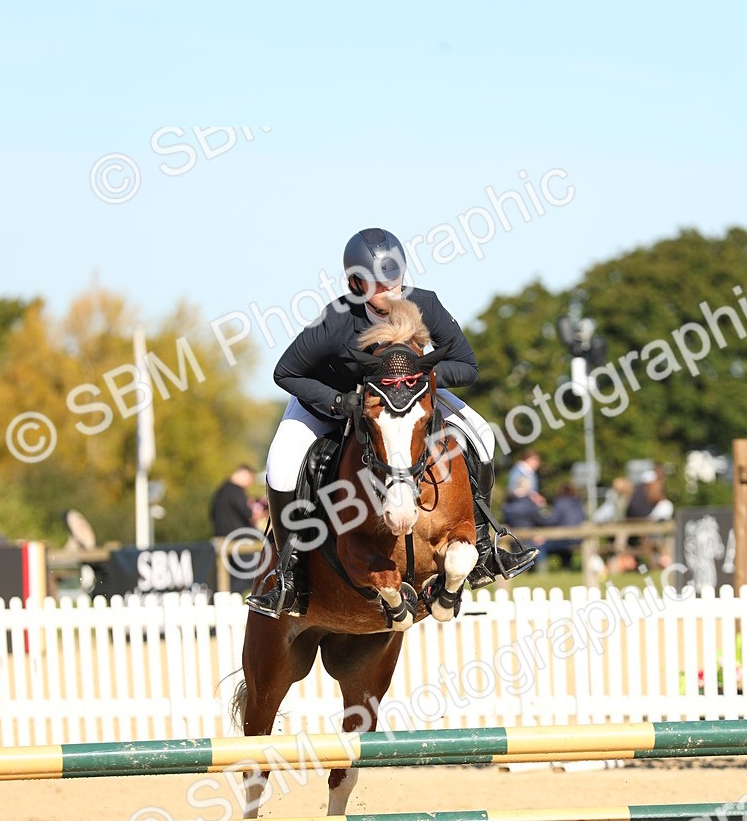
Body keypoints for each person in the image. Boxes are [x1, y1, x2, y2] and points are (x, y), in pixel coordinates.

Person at [247, 227, 535, 616]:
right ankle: (290, 577)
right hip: (332, 403)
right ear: (355, 283)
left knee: (482, 434)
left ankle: (484, 545)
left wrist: (416, 377)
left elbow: (467, 366)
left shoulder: (424, 305)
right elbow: (286, 373)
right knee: (280, 469)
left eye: (396, 278)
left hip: (408, 398)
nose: (393, 289)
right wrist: (339, 401)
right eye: (381, 283)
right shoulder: (336, 321)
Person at [210, 465, 259, 593]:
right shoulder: (236, 492)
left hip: (224, 540)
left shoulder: (221, 491)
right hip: (241, 541)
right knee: (249, 577)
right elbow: (248, 514)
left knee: (230, 579)